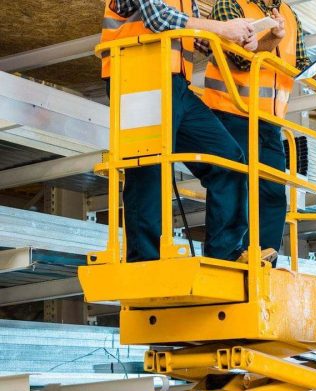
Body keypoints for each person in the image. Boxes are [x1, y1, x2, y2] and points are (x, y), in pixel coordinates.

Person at [101, 0, 276, 263]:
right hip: (137, 78)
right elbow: (157, 18)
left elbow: (197, 39)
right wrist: (222, 27)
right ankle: (147, 260)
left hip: (176, 85)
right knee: (149, 168)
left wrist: (241, 37)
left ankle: (225, 252)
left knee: (229, 160)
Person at [204, 0, 316, 265]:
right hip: (232, 111)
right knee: (236, 184)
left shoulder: (290, 15)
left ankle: (265, 260)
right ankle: (232, 257)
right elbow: (238, 59)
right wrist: (271, 37)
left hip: (269, 119)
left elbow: (297, 65)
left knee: (272, 192)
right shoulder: (230, 5)